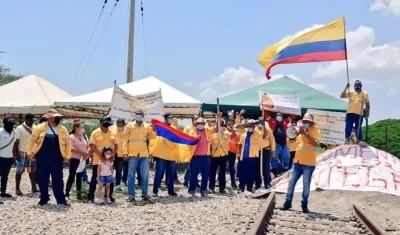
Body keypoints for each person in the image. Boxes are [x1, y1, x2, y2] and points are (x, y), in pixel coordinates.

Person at [26, 109, 71, 206]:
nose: (56, 118)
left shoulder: (63, 129)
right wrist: (29, 153)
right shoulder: (39, 128)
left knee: (58, 179)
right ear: (49, 118)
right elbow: (31, 140)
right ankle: (44, 197)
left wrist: (67, 156)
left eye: (57, 117)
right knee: (41, 178)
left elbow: (68, 143)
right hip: (42, 157)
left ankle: (61, 199)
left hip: (56, 157)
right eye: (54, 117)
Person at [280, 113, 321, 213]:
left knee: (306, 185)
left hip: (309, 163)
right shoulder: (299, 131)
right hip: (297, 162)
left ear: (311, 123)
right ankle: (287, 202)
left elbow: (315, 144)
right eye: (304, 121)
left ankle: (304, 204)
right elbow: (292, 144)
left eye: (307, 121)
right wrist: (291, 135)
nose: (305, 123)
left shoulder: (316, 131)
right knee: (291, 183)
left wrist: (306, 134)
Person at [123, 109, 154, 202]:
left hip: (144, 154)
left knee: (145, 175)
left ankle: (145, 194)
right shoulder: (129, 125)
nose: (138, 115)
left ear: (143, 115)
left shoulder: (147, 126)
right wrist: (125, 152)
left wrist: (154, 129)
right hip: (132, 154)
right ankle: (131, 195)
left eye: (140, 114)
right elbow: (124, 140)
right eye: (137, 114)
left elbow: (152, 137)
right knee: (131, 175)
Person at [87, 116, 118, 203]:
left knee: (109, 177)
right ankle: (91, 196)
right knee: (95, 178)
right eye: (105, 123)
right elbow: (92, 145)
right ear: (101, 123)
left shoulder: (112, 133)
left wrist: (113, 155)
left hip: (109, 161)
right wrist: (100, 156)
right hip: (98, 159)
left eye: (108, 123)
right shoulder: (95, 132)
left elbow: (116, 145)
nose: (107, 125)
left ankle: (108, 196)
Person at [152, 113, 178, 197]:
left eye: (172, 118)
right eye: (170, 118)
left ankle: (171, 190)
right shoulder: (160, 127)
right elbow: (155, 137)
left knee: (171, 173)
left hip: (171, 154)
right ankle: (155, 190)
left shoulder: (174, 128)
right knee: (159, 172)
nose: (171, 120)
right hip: (162, 154)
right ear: (165, 119)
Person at [13, 113, 39, 195]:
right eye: (30, 119)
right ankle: (17, 188)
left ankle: (34, 188)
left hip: (32, 152)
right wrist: (16, 154)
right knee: (19, 171)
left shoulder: (36, 127)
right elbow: (16, 142)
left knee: (32, 171)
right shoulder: (19, 128)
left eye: (32, 119)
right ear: (26, 119)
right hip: (22, 152)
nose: (31, 121)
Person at [187, 117, 212, 196]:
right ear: (196, 124)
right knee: (193, 174)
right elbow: (188, 142)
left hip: (205, 156)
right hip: (195, 157)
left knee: (205, 175)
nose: (200, 125)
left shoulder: (208, 131)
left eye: (202, 123)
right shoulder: (192, 132)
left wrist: (218, 118)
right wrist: (195, 139)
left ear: (204, 124)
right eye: (198, 123)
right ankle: (191, 190)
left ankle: (203, 190)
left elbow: (216, 129)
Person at [65, 121, 90, 200]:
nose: (83, 129)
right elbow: (71, 148)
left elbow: (89, 145)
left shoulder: (84, 136)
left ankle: (78, 194)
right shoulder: (71, 137)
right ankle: (67, 193)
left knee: (80, 176)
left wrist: (87, 153)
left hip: (82, 159)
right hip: (74, 158)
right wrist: (83, 152)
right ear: (76, 128)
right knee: (72, 176)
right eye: (81, 127)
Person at [237, 120, 262, 192]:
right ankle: (241, 187)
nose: (249, 127)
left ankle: (249, 187)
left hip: (253, 156)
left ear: (254, 127)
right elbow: (240, 145)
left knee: (251, 173)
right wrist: (238, 153)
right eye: (248, 126)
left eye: (251, 126)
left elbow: (261, 142)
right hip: (243, 157)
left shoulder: (258, 134)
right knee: (242, 173)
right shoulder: (243, 135)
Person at [209, 121, 232, 194]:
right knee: (212, 172)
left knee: (222, 173)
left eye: (222, 125)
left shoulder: (226, 134)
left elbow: (233, 134)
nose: (220, 127)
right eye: (219, 125)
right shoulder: (213, 135)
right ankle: (211, 187)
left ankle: (222, 188)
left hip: (223, 155)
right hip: (214, 155)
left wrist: (229, 127)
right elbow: (210, 145)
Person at [255, 117, 276, 189]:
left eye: (261, 122)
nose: (260, 124)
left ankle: (267, 183)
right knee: (257, 167)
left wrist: (273, 150)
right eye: (259, 122)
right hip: (257, 150)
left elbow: (272, 140)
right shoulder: (255, 129)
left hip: (266, 150)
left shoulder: (268, 129)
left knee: (266, 167)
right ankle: (258, 183)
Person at [0, 117, 16, 203]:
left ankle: (3, 191)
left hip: (9, 158)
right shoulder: (0, 132)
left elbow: (13, 145)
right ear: (4, 124)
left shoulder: (14, 132)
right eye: (9, 124)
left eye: (12, 124)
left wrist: (14, 157)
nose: (11, 126)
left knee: (5, 176)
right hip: (0, 157)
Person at [183, 115, 199, 188]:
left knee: (197, 168)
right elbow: (184, 138)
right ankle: (186, 181)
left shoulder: (201, 128)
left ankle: (195, 182)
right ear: (192, 120)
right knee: (189, 167)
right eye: (195, 119)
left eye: (197, 119)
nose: (196, 120)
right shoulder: (187, 128)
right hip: (190, 150)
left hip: (198, 150)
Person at [112, 118, 129, 187]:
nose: (119, 126)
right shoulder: (113, 130)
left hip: (123, 153)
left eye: (120, 125)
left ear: (123, 124)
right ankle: (114, 183)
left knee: (122, 169)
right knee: (114, 169)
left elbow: (128, 142)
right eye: (117, 124)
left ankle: (121, 182)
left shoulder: (127, 131)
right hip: (114, 153)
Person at [227, 122, 239, 188]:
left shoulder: (236, 133)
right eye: (229, 124)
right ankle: (220, 182)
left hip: (232, 152)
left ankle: (233, 182)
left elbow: (237, 142)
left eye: (231, 124)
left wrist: (237, 152)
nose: (230, 126)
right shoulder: (224, 131)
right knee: (222, 167)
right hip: (224, 151)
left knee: (232, 167)